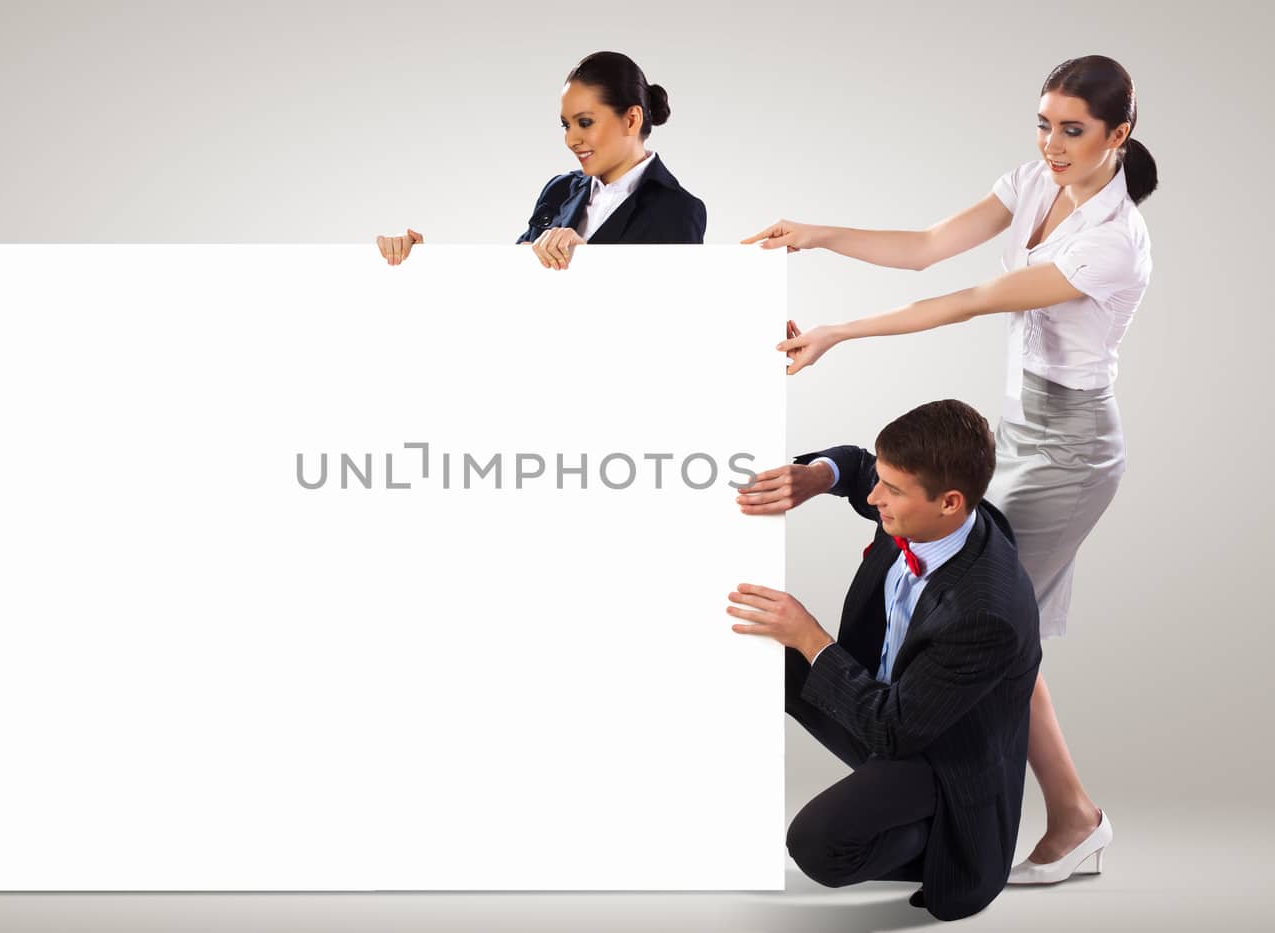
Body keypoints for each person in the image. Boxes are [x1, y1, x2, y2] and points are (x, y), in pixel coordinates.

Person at [737, 55, 1154, 883]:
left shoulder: (1114, 242)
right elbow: (929, 249)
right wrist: (815, 232)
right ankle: (1066, 813)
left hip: (1070, 450)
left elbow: (964, 301)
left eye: (1073, 130)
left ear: (1120, 135)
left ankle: (969, 805)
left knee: (988, 625)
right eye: (1044, 123)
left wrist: (837, 333)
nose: (1053, 144)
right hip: (1021, 423)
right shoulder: (1035, 184)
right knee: (1007, 641)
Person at [728, 399, 1041, 921]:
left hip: (934, 753)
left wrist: (810, 638)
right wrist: (816, 476)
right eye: (882, 480)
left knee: (817, 845)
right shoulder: (927, 500)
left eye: (891, 491)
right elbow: (854, 466)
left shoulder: (987, 613)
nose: (874, 497)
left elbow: (893, 732)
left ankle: (939, 842)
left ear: (949, 503)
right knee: (751, 648)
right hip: (886, 702)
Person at [375, 51, 705, 270]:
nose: (571, 139)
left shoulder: (679, 209)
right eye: (566, 125)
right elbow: (512, 281)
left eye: (585, 122)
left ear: (631, 120)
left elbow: (666, 314)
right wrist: (419, 262)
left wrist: (587, 259)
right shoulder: (560, 189)